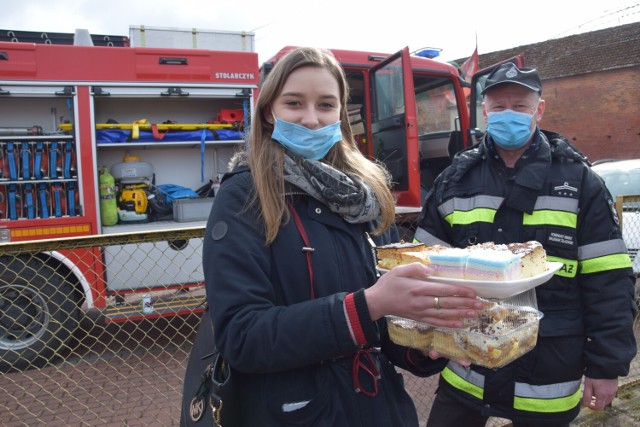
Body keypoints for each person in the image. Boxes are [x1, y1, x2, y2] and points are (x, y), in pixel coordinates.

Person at [201, 46, 485, 427]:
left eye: (326, 105)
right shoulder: (244, 195)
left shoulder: (364, 193)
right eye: (294, 103)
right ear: (269, 111)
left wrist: (425, 341)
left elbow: (384, 323)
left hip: (378, 408)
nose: (312, 119)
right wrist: (366, 306)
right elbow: (243, 337)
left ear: (342, 113)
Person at [416, 62, 638, 427]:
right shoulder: (454, 179)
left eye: (519, 106)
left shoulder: (580, 182)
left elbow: (609, 280)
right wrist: (424, 335)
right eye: (499, 106)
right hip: (468, 365)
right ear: (485, 111)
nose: (509, 114)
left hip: (547, 373)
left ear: (540, 109)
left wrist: (606, 365)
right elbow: (422, 267)